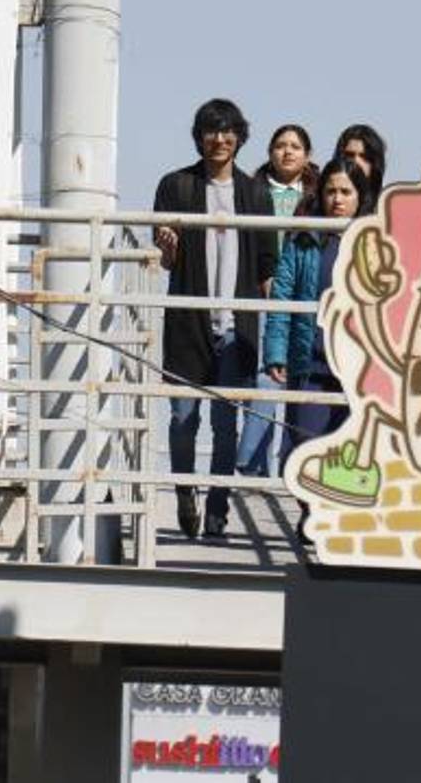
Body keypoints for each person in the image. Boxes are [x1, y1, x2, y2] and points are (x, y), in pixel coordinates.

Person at [153, 98, 278, 538]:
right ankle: (186, 493)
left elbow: (267, 268)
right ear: (199, 136)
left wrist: (272, 335)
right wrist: (168, 246)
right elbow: (165, 261)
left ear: (239, 137)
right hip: (189, 323)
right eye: (210, 130)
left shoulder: (255, 194)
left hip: (236, 327)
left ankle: (218, 507)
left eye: (227, 132)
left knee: (227, 425)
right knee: (183, 419)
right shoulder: (177, 186)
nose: (219, 139)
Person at [262, 157, 378, 476]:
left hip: (357, 366)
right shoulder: (303, 238)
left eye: (345, 192)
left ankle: (326, 522)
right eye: (331, 191)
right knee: (302, 447)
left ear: (360, 196)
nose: (337, 199)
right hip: (310, 359)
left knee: (349, 451)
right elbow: (282, 295)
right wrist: (275, 350)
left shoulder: (375, 242)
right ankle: (309, 515)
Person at [237, 124, 317, 477]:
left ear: (307, 155)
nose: (287, 152)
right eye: (280, 145)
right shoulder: (254, 190)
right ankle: (254, 463)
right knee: (263, 375)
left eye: (295, 146)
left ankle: (289, 462)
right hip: (260, 289)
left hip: (302, 289)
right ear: (269, 151)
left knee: (293, 375)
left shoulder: (316, 193)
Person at [332, 123, 387, 199]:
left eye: (364, 157)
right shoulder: (321, 203)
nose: (356, 161)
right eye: (350, 155)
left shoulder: (384, 206)